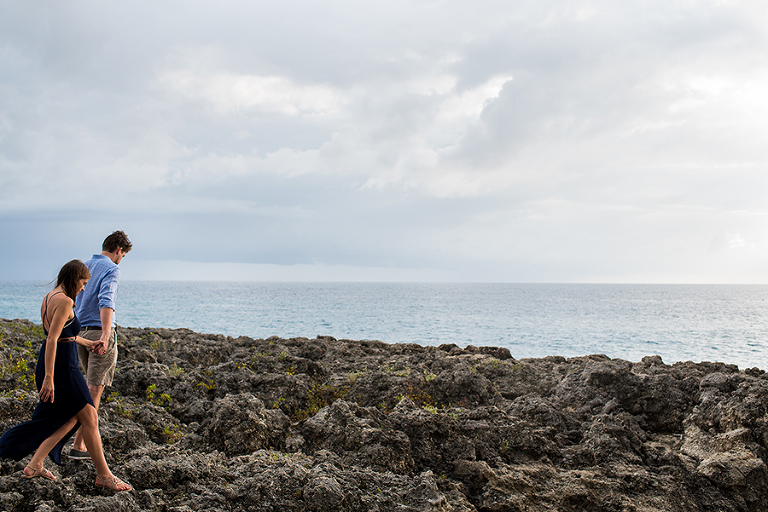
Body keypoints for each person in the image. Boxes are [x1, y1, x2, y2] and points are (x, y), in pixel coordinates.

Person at [0, 260, 132, 492]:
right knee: (89, 416)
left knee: (73, 416)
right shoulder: (65, 301)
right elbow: (52, 339)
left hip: (60, 361)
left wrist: (88, 342)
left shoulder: (50, 296)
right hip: (62, 368)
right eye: (83, 283)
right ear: (73, 278)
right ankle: (104, 475)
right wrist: (49, 378)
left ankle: (36, 463)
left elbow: (62, 335)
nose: (83, 289)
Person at [70, 230, 132, 459]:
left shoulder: (84, 266)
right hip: (97, 331)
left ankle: (80, 444)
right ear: (119, 251)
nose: (120, 260)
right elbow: (106, 301)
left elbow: (74, 300)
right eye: (123, 256)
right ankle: (79, 447)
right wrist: (106, 335)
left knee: (88, 386)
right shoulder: (111, 268)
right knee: (94, 391)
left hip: (80, 331)